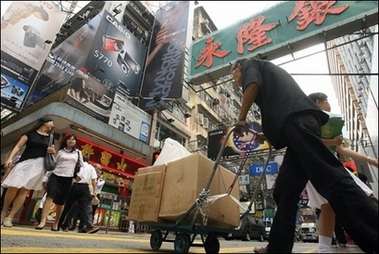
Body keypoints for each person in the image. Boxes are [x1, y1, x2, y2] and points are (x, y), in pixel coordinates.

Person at [230, 58, 378, 253]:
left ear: (239, 67)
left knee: (331, 178)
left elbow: (252, 84)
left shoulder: (250, 64)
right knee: (285, 190)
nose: (235, 81)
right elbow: (280, 111)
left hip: (297, 121)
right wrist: (264, 136)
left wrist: (240, 119)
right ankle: (277, 248)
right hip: (295, 125)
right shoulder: (269, 78)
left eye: (234, 76)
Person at [305, 92, 378, 253]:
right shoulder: (310, 120)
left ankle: (325, 248)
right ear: (318, 102)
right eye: (326, 101)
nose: (329, 105)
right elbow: (307, 140)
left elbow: (341, 148)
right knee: (328, 205)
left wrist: (369, 160)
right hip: (316, 165)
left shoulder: (331, 122)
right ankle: (324, 248)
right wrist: (332, 141)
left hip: (332, 165)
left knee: (338, 203)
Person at [1, 116, 55, 227]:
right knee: (13, 186)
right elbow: (18, 146)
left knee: (24, 190)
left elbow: (52, 151)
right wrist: (10, 158)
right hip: (24, 163)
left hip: (39, 165)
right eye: (51, 123)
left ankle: (10, 217)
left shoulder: (50, 138)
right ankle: (4, 212)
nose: (53, 125)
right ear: (45, 123)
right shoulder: (30, 134)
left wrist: (53, 151)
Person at [35, 133, 83, 231]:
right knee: (49, 196)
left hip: (68, 178)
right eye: (69, 139)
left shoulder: (78, 153)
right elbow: (54, 165)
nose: (71, 141)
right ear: (66, 141)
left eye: (73, 139)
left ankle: (56, 223)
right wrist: (46, 177)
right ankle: (43, 221)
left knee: (61, 202)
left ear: (75, 142)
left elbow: (81, 165)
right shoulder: (61, 151)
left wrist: (80, 175)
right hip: (55, 176)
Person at [59, 156, 99, 234]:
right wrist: (94, 191)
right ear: (88, 161)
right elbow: (94, 180)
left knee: (68, 206)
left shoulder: (77, 165)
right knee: (86, 206)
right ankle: (89, 226)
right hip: (84, 187)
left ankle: (60, 224)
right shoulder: (90, 167)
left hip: (74, 186)